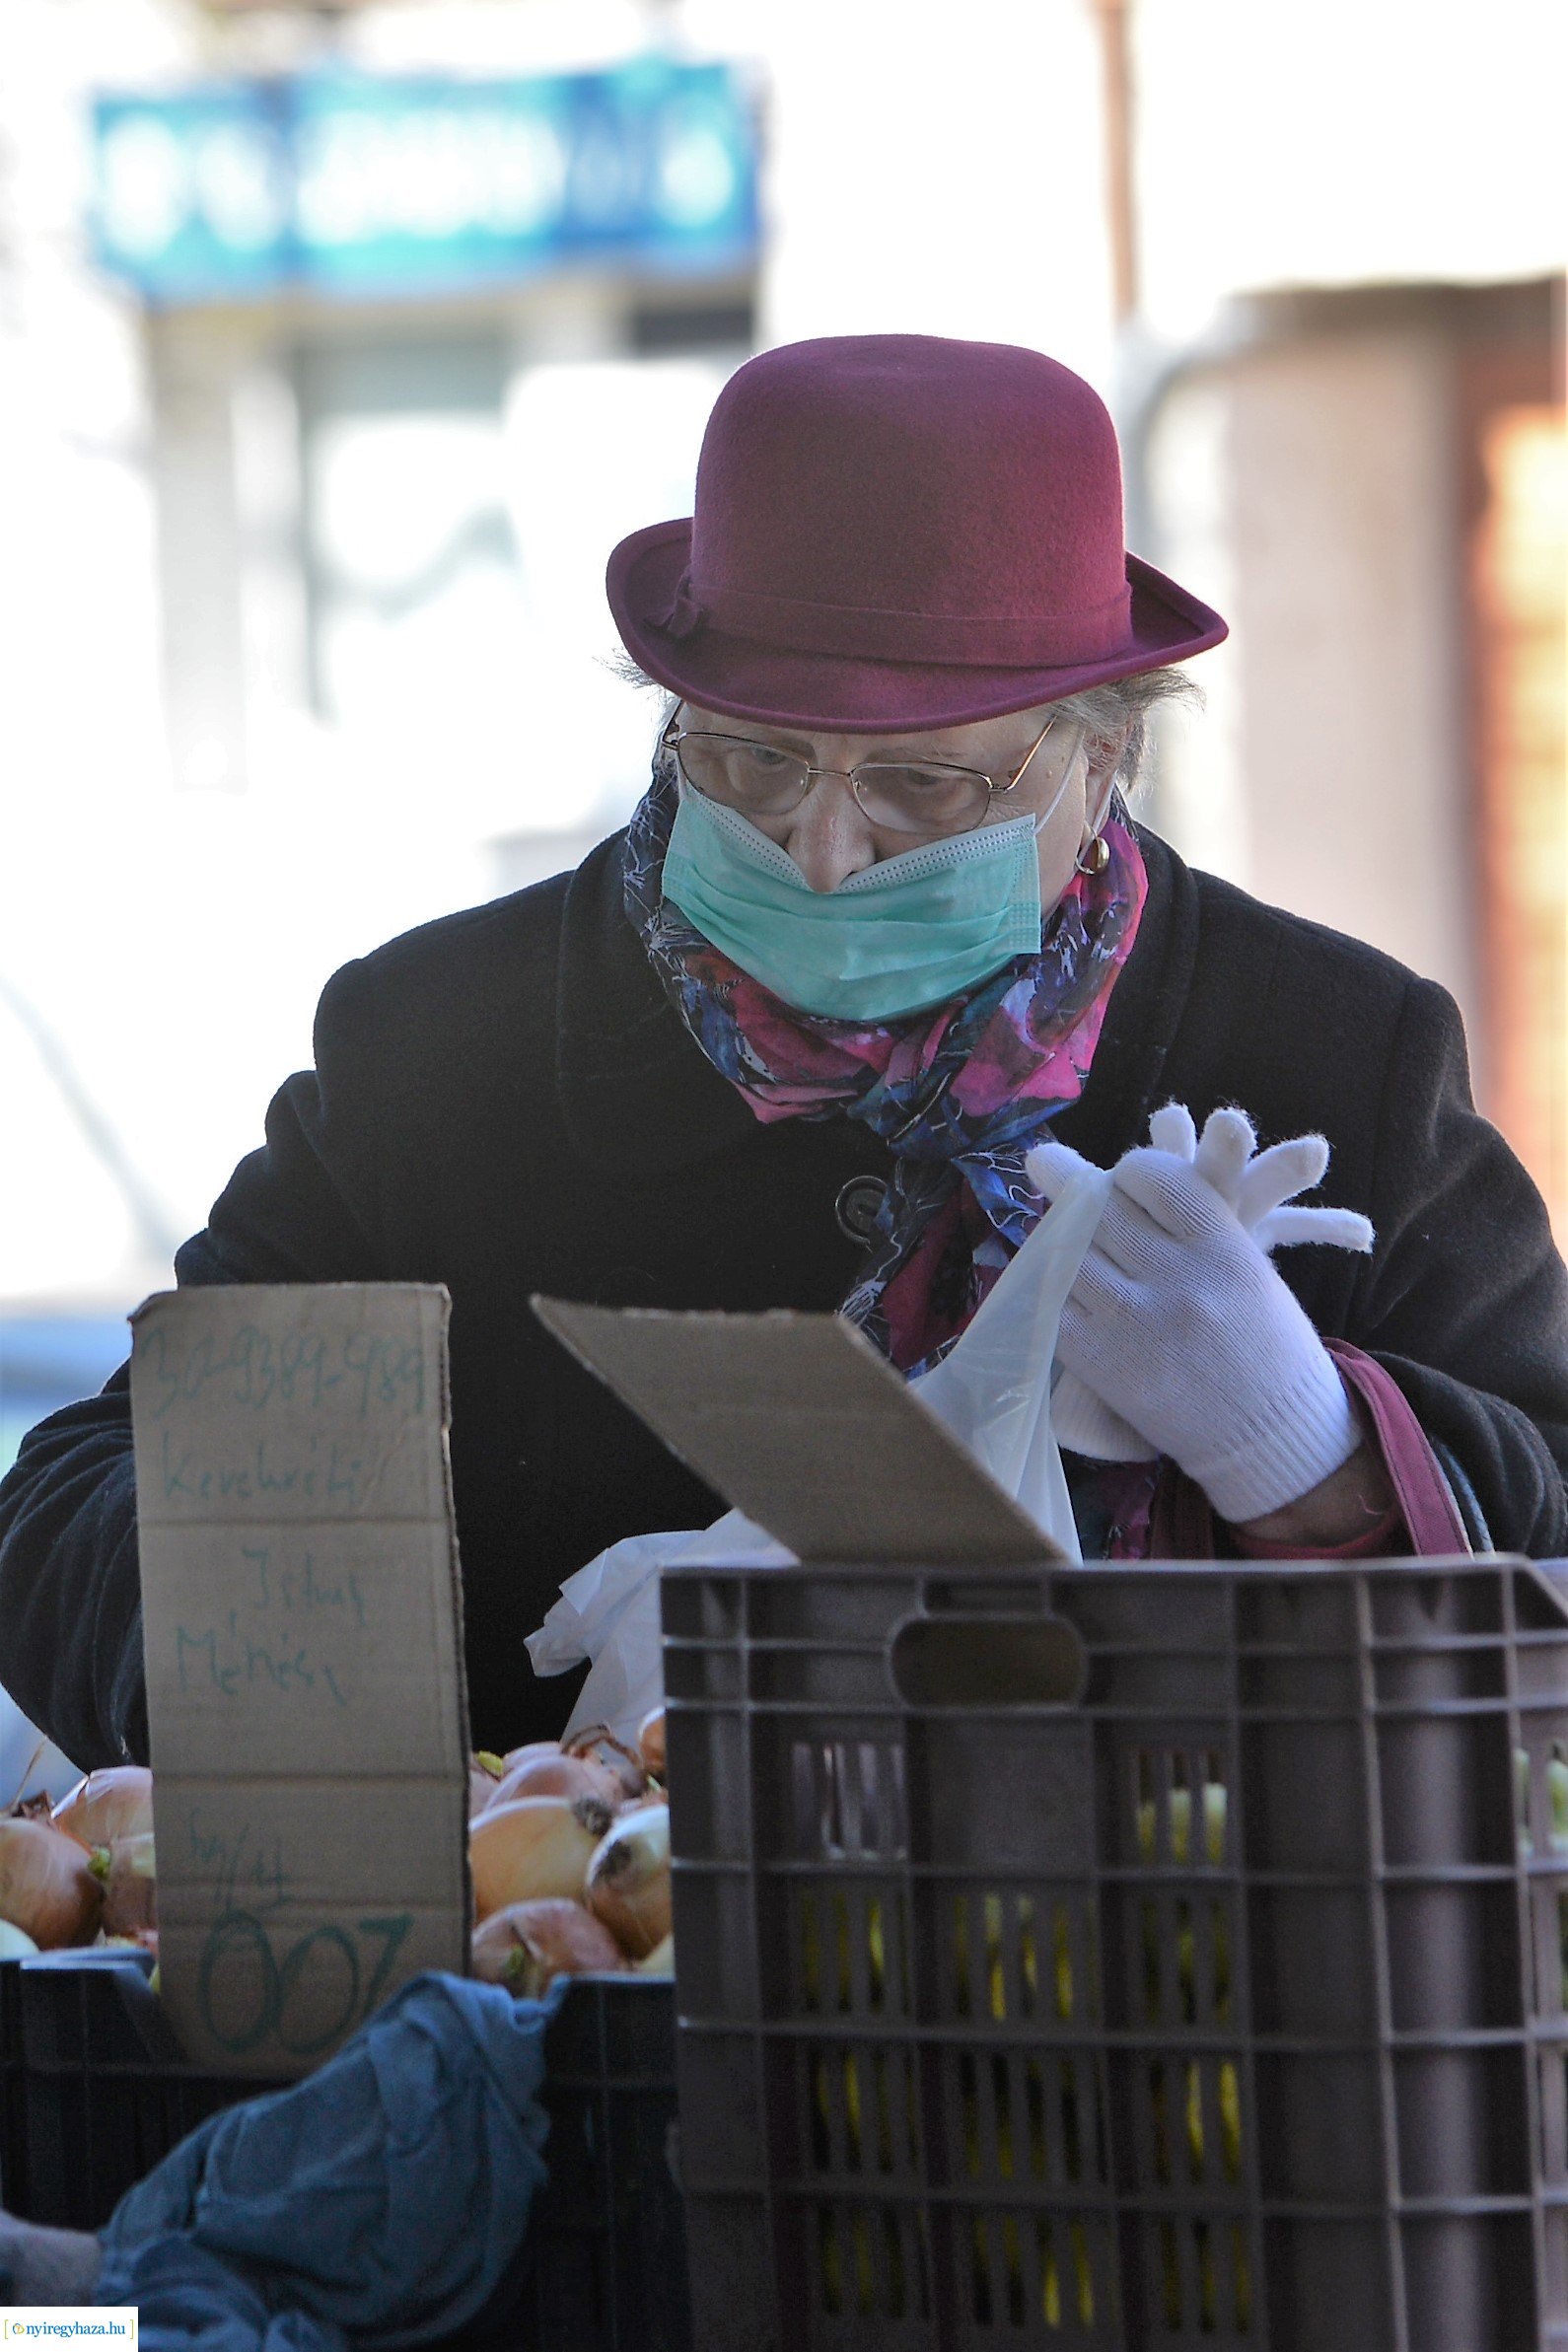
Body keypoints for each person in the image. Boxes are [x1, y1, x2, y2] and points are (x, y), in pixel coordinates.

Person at [3, 332, 1566, 1771]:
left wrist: (1319, 1453)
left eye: (925, 790)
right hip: (601, 2007)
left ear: (1106, 757)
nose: (820, 851)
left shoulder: (1326, 1056)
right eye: (752, 760)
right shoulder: (442, 1052)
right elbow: (77, 1487)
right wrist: (305, 1654)